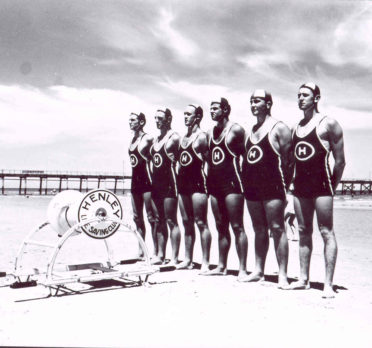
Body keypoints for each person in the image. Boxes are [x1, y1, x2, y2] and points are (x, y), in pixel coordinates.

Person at [289, 83, 345, 298]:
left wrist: (332, 186)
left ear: (317, 98)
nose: (300, 98)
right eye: (298, 95)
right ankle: (303, 279)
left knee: (326, 232)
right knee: (303, 232)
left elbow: (340, 162)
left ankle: (328, 285)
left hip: (322, 186)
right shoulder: (295, 128)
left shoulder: (328, 124)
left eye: (305, 95)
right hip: (300, 187)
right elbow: (293, 163)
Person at [240, 90, 293, 288]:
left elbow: (289, 163)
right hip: (252, 188)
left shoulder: (279, 128)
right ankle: (259, 271)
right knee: (259, 229)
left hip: (273, 186)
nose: (253, 104)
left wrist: (286, 189)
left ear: (268, 104)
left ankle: (282, 275)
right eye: (251, 101)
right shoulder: (250, 131)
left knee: (277, 229)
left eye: (258, 101)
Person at [201, 97, 249, 280]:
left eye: (215, 108)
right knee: (221, 226)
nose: (212, 111)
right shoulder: (209, 133)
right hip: (215, 184)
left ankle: (243, 270)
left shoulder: (236, 130)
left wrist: (245, 182)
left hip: (232, 184)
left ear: (225, 110)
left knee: (237, 226)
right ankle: (222, 266)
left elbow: (247, 157)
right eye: (210, 108)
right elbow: (208, 158)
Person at [176, 104, 211, 272]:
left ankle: (205, 262)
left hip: (198, 184)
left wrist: (209, 185)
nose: (185, 117)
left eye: (188, 114)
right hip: (183, 184)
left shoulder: (202, 137)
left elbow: (209, 162)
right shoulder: (183, 138)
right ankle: (188, 259)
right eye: (184, 114)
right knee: (186, 222)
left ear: (197, 117)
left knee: (201, 222)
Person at [150, 108, 181, 265]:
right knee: (158, 220)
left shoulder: (174, 138)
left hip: (169, 184)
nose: (157, 120)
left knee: (171, 220)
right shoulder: (155, 140)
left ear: (168, 119)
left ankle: (174, 258)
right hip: (156, 185)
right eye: (155, 118)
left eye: (160, 118)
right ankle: (160, 255)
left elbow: (182, 161)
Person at [128, 112, 158, 259]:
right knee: (137, 218)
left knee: (151, 217)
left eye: (133, 120)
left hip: (147, 182)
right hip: (135, 183)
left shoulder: (148, 138)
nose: (130, 122)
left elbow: (157, 158)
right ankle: (141, 250)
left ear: (141, 122)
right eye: (129, 119)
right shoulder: (132, 139)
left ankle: (156, 251)